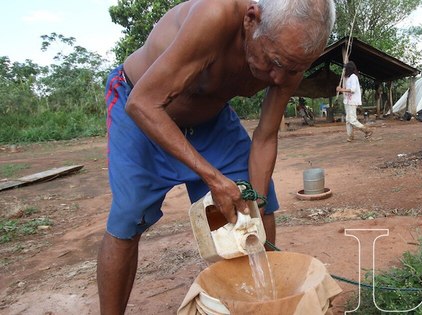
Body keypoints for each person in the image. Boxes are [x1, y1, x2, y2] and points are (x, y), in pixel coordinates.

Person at [98, 0, 335, 313]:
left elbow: (265, 136)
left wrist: (257, 202)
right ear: (251, 19)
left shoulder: (290, 57)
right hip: (140, 106)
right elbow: (143, 104)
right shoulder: (214, 15)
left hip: (210, 118)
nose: (279, 78)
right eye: (274, 61)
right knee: (128, 217)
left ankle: (261, 305)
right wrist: (213, 177)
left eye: (293, 69)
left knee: (257, 209)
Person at [336, 61, 373, 142]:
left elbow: (352, 90)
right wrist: (342, 86)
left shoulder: (353, 77)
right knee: (348, 120)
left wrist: (341, 89)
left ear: (348, 69)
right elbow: (346, 88)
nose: (344, 70)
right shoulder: (348, 78)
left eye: (345, 69)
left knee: (352, 120)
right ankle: (350, 136)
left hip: (352, 101)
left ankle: (367, 130)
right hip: (348, 101)